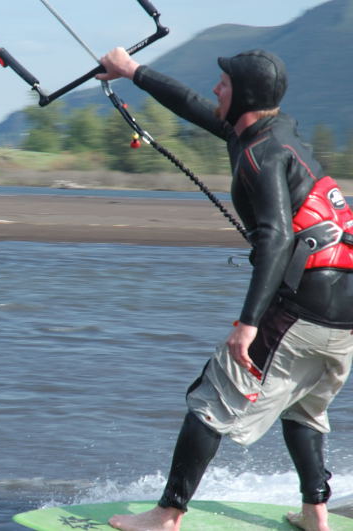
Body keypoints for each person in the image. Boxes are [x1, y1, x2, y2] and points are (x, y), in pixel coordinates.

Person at [95, 47, 353, 531]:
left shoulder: (260, 155)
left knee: (211, 400)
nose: (216, 88)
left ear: (246, 97)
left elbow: (277, 237)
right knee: (303, 407)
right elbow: (195, 104)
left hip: (301, 306)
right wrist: (133, 72)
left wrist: (248, 324)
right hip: (344, 314)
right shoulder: (276, 132)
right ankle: (316, 515)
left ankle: (166, 514)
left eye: (225, 83)